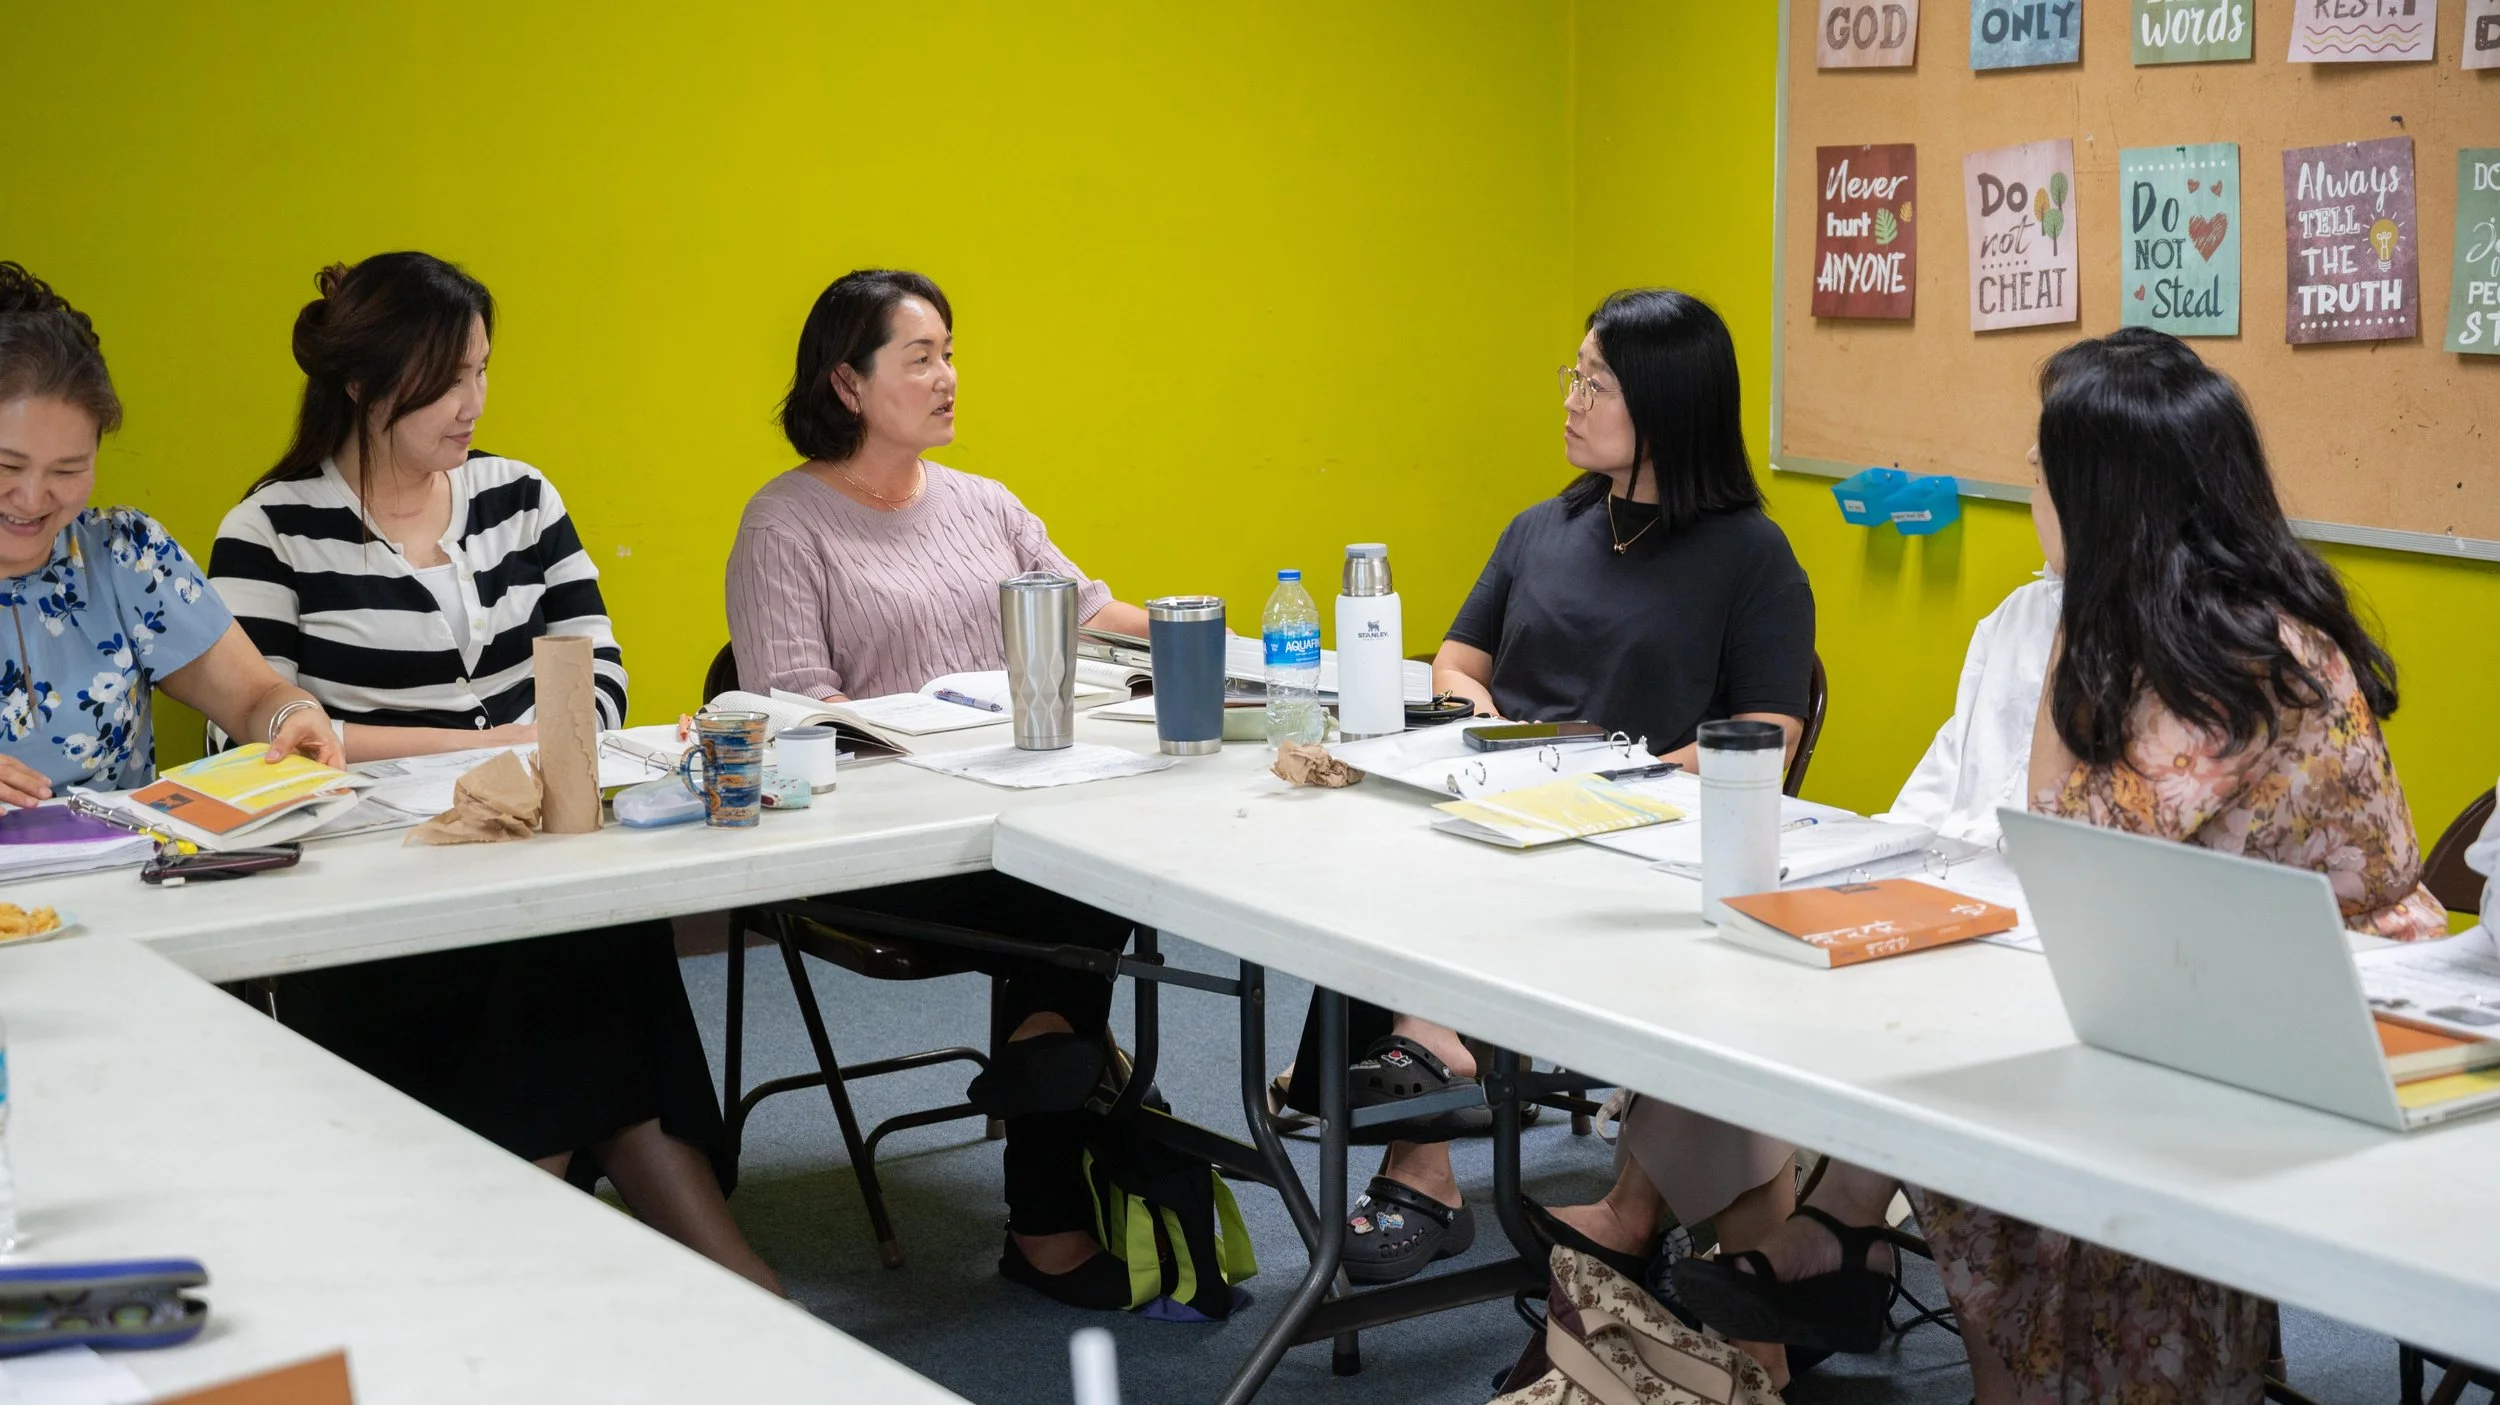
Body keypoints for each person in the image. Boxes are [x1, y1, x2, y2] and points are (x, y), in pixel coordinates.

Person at [1671, 327, 2444, 1404]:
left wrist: (2072, 618)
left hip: (2334, 1008)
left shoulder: (2237, 656)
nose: (2030, 496)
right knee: (1953, 1070)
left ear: (2100, 500)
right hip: (2210, 975)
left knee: (1991, 1101)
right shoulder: (2182, 621)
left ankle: (1889, 1271)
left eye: (2042, 476)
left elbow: (2076, 839)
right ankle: (1886, 1267)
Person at [208, 253, 780, 1295]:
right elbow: (263, 743)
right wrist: (498, 747)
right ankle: (705, 1278)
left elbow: (601, 675)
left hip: (536, 857)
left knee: (591, 935)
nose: (472, 402)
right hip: (380, 899)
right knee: (586, 961)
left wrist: (522, 742)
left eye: (481, 370)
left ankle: (548, 1259)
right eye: (446, 379)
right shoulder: (272, 529)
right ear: (362, 382)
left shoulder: (520, 495)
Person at [1287, 290, 1818, 1315]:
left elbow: (1767, 734)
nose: (1570, 399)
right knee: (1368, 853)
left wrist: (1616, 784)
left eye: (1595, 382)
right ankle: (1425, 1125)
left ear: (1666, 402)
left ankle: (1422, 1097)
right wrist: (1484, 723)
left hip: (1635, 834)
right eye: (1573, 375)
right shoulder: (1544, 527)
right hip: (1500, 800)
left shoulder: (1752, 558)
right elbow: (1456, 659)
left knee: (1423, 880)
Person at [724, 268, 1153, 1308]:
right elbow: (790, 707)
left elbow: (1090, 613)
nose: (948, 377)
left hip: (1012, 815)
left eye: (950, 354)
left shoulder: (986, 503)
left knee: (1095, 868)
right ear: (847, 383)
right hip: (882, 845)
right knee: (1070, 903)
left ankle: (1044, 1061)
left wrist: (1221, 639)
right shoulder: (785, 523)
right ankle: (1049, 1155)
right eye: (920, 359)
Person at [0, 262, 341, 805]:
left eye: (67, 470)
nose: (32, 497)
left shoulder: (124, 556)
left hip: (123, 857)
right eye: (7, 465)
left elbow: (255, 698)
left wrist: (292, 716)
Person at [1873, 566, 2060, 846]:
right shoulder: (2020, 609)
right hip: (1962, 846)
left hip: (2045, 854)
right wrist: (1894, 837)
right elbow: (1957, 737)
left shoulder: (2127, 627)